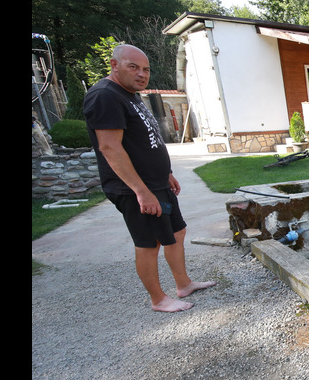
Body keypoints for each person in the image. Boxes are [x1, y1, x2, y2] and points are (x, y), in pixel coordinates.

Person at [83, 44, 215, 312]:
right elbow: (110, 147)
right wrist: (141, 191)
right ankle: (158, 299)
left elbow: (144, 140)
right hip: (134, 189)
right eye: (133, 67)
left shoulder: (129, 94)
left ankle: (183, 284)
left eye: (146, 69)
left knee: (177, 232)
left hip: (156, 183)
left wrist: (165, 173)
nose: (142, 74)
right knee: (148, 243)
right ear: (114, 64)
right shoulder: (105, 96)